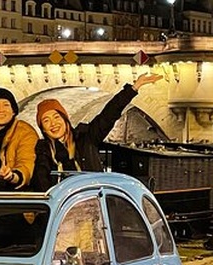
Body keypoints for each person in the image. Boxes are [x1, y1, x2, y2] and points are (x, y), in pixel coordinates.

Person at [32, 73, 163, 191]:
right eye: (46, 120)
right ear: (43, 128)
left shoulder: (86, 137)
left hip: (94, 201)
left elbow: (109, 114)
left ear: (65, 119)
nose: (53, 124)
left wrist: (133, 88)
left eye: (56, 117)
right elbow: (41, 182)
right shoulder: (43, 150)